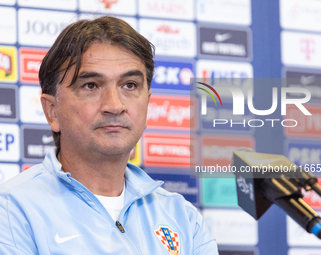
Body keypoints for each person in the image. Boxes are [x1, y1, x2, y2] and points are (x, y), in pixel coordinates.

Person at [0, 16, 218, 254]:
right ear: (52, 111)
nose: (114, 105)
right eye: (91, 85)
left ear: (147, 102)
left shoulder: (184, 219)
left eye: (130, 85)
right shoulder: (11, 210)